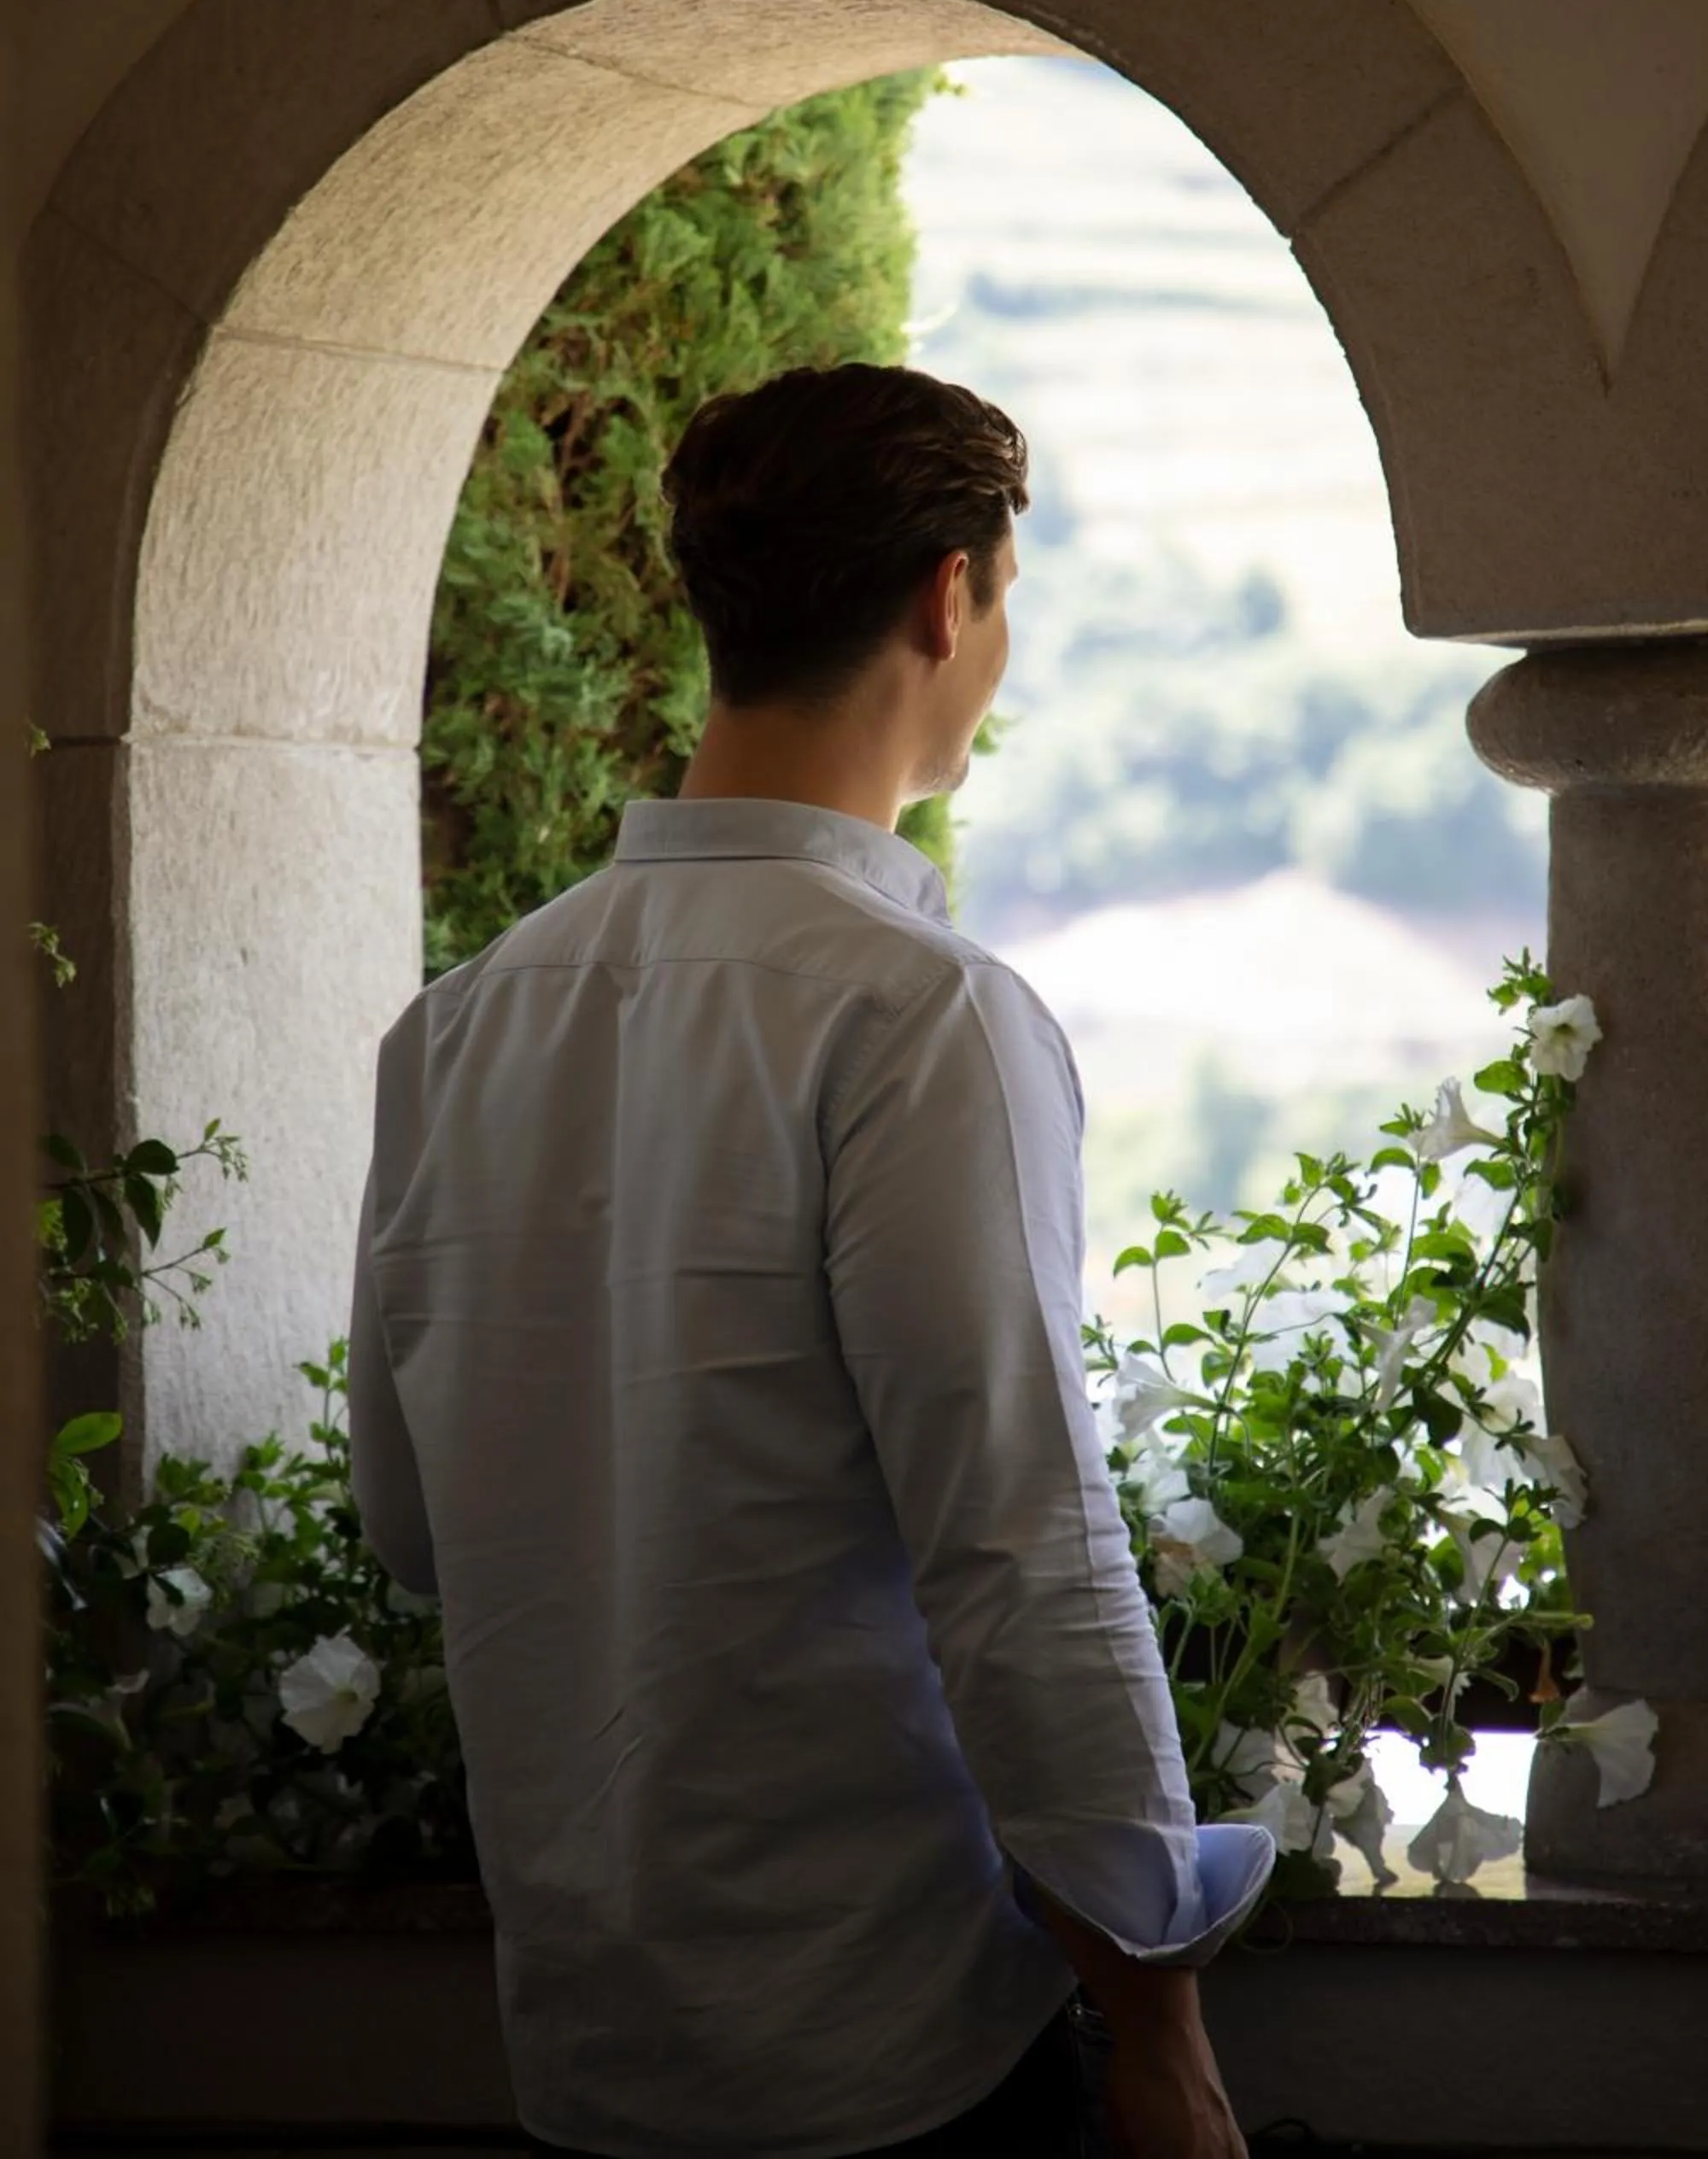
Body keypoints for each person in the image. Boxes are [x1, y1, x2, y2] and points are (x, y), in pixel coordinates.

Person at [348, 362, 1274, 2158]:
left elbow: (407, 1521)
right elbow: (1019, 1541)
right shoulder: (922, 1018)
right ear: (952, 595)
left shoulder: (459, 1024)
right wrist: (1160, 2017)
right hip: (889, 2041)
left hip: (587, 2038)